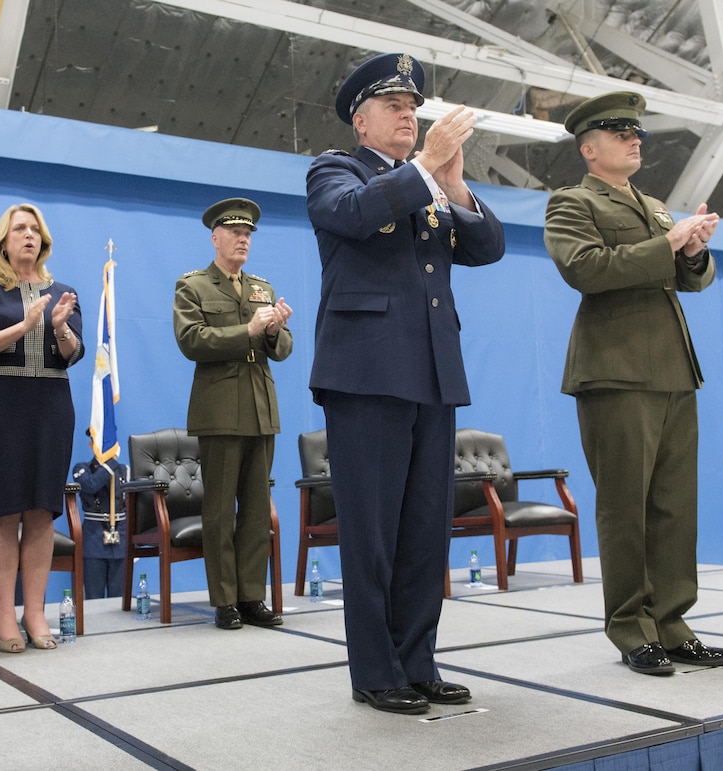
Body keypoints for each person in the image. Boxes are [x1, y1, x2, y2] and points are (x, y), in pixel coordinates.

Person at [305, 53, 505, 714]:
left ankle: (417, 660)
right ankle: (375, 670)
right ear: (362, 119)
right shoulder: (335, 170)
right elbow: (355, 215)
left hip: (431, 372)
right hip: (366, 374)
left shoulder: (430, 184)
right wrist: (425, 170)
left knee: (425, 532)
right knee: (373, 532)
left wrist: (456, 179)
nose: (409, 115)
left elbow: (487, 248)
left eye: (414, 108)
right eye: (395, 106)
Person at [543, 91, 723, 676]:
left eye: (636, 131)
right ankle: (631, 627)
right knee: (626, 506)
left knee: (676, 507)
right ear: (589, 148)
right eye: (618, 131)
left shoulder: (652, 205)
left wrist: (693, 251)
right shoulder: (571, 202)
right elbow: (586, 269)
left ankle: (673, 622)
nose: (635, 138)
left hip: (674, 369)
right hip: (615, 370)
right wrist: (669, 243)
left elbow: (686, 280)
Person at [0, 203, 84, 653]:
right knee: (4, 511)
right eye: (19, 229)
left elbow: (74, 352)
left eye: (35, 230)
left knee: (41, 511)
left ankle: (35, 612)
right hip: (1, 406)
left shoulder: (63, 290)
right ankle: (4, 614)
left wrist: (58, 329)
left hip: (52, 405)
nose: (28, 236)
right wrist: (25, 324)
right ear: (3, 241)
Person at [173, 197, 293, 631]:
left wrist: (276, 330)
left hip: (261, 408)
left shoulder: (260, 287)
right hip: (219, 409)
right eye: (235, 233)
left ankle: (251, 597)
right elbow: (192, 340)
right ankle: (224, 600)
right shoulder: (194, 286)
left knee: (258, 510)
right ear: (215, 238)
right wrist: (248, 330)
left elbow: (282, 349)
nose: (243, 239)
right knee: (221, 510)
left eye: (248, 235)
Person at [71, 438, 130, 599]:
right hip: (94, 541)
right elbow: (91, 485)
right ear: (91, 444)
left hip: (120, 540)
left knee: (119, 601)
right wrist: (111, 464)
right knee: (93, 599)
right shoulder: (82, 469)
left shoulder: (126, 471)